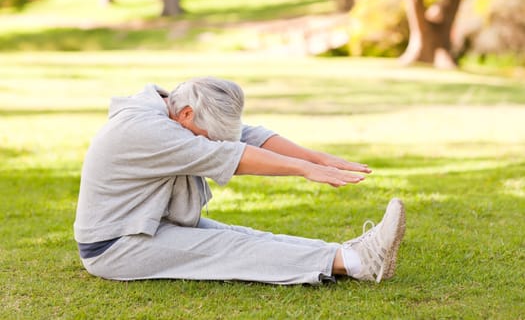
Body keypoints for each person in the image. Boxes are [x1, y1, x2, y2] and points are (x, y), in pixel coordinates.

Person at [74, 76, 406, 285]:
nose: (215, 139)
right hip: (115, 246)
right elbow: (230, 156)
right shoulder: (148, 130)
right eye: (210, 134)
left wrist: (314, 157)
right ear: (186, 114)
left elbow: (247, 136)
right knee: (231, 248)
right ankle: (359, 262)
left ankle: (348, 255)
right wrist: (304, 170)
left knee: (243, 235)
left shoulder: (171, 108)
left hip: (146, 225)